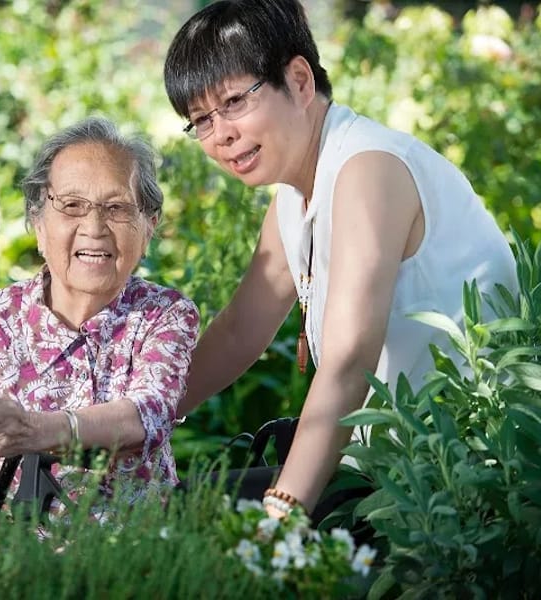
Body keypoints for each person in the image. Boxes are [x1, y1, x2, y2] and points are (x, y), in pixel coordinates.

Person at [163, 0, 518, 518]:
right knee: (164, 509)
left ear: (299, 81)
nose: (220, 134)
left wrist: (281, 517)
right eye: (201, 120)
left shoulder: (369, 170)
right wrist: (138, 420)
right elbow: (240, 331)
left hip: (459, 493)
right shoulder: (295, 196)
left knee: (179, 522)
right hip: (385, 471)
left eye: (234, 101)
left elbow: (350, 362)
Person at [0, 117, 200, 543]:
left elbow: (147, 414)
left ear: (148, 227)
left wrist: (35, 430)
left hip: (131, 565)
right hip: (8, 567)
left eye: (116, 208)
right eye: (72, 205)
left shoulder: (163, 315)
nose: (94, 227)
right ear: (38, 225)